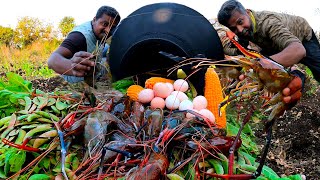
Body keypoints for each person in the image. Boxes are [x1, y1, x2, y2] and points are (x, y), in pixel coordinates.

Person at [216, 0, 317, 105]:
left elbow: (298, 50)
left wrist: (263, 65)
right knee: (266, 64)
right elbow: (241, 51)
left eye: (240, 22)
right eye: (233, 28)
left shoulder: (268, 23)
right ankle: (296, 75)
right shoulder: (243, 32)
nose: (240, 30)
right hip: (271, 44)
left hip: (302, 37)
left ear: (247, 12)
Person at [47, 6, 121, 83]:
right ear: (94, 19)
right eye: (105, 24)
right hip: (73, 82)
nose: (108, 30)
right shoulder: (79, 37)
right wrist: (73, 67)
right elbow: (52, 61)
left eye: (112, 27)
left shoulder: (100, 33)